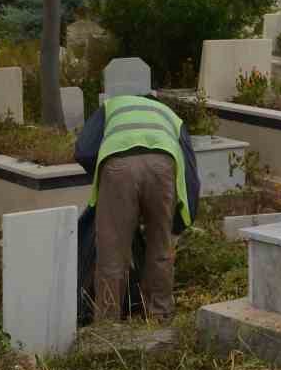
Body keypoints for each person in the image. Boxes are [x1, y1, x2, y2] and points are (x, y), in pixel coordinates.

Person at [84, 95, 198, 321]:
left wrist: (105, 179)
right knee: (160, 246)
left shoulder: (111, 106)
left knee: (112, 253)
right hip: (163, 165)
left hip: (118, 166)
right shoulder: (170, 116)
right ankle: (160, 315)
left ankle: (108, 323)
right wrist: (180, 220)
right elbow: (191, 173)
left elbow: (84, 150)